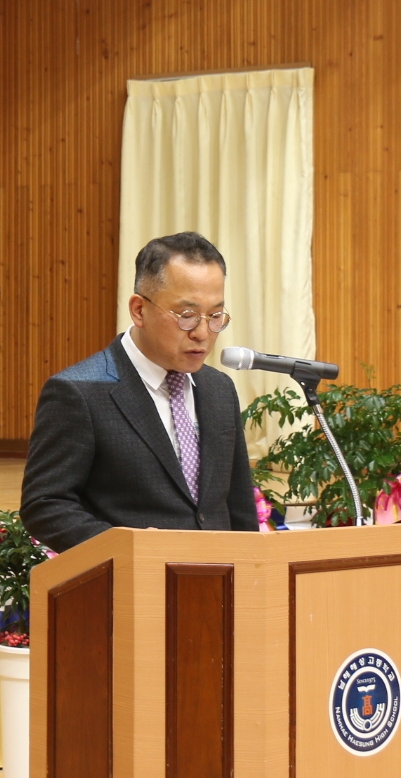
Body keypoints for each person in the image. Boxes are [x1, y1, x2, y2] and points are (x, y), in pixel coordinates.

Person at [20, 231, 258, 552]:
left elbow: (239, 508)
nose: (203, 333)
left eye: (215, 316)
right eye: (187, 316)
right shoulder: (80, 392)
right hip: (129, 578)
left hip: (218, 577)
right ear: (139, 310)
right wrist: (131, 550)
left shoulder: (219, 389)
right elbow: (45, 505)